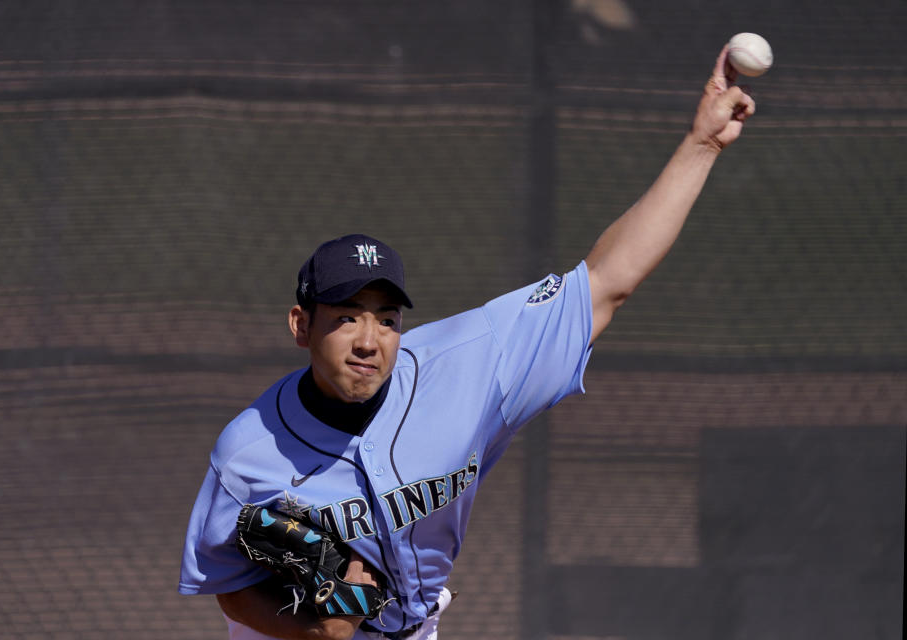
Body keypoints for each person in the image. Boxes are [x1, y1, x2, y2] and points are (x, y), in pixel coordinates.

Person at [178, 46, 755, 640]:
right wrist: (315, 632)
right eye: (346, 318)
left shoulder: (469, 367)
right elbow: (229, 588)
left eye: (386, 318)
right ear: (301, 326)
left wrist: (702, 145)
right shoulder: (248, 452)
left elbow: (608, 283)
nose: (368, 340)